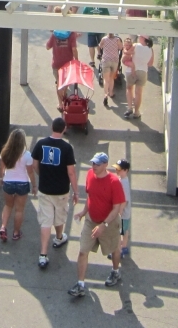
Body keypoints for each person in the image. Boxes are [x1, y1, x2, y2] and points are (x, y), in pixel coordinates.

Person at [68, 153, 126, 298]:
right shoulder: (89, 175)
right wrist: (83, 212)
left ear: (105, 165)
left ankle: (115, 271)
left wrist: (103, 225)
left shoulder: (114, 182)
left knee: (115, 249)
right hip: (91, 220)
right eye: (93, 163)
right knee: (83, 251)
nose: (94, 166)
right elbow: (90, 197)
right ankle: (80, 284)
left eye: (97, 164)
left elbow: (117, 208)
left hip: (110, 223)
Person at [32, 117, 78, 269]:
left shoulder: (40, 144)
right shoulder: (66, 148)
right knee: (59, 216)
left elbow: (35, 165)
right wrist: (76, 191)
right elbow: (71, 172)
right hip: (61, 190)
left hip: (45, 189)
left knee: (46, 221)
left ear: (52, 127)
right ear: (64, 129)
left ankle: (43, 255)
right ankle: (59, 238)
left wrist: (42, 175)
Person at [0, 128, 35, 243]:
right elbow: (30, 172)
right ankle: (16, 233)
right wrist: (34, 185)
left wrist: (1, 178)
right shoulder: (27, 155)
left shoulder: (4, 152)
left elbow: (1, 169)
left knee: (8, 205)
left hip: (8, 182)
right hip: (22, 184)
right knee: (19, 210)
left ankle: (3, 227)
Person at [45, 29, 78, 106]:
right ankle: (64, 95)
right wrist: (77, 61)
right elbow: (74, 49)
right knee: (66, 82)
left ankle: (60, 104)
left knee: (59, 84)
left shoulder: (55, 34)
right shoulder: (71, 34)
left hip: (57, 64)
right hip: (68, 65)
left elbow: (47, 47)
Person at [127, 36, 154, 120]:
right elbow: (150, 64)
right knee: (139, 92)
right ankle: (136, 112)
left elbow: (127, 54)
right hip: (143, 71)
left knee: (129, 89)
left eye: (139, 36)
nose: (138, 37)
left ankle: (130, 107)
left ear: (143, 38)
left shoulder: (135, 45)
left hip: (132, 70)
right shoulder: (151, 49)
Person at [98, 32, 122, 107]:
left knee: (106, 79)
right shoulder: (117, 39)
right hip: (114, 61)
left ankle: (105, 95)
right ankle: (111, 93)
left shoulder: (104, 39)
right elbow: (121, 48)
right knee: (111, 78)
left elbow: (100, 46)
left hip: (106, 60)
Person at [114, 160, 132, 257]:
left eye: (119, 169)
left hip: (123, 213)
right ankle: (123, 246)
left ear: (126, 170)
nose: (117, 170)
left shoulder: (123, 184)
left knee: (123, 231)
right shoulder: (122, 180)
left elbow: (124, 200)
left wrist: (119, 212)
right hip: (125, 213)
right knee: (124, 230)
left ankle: (122, 249)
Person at [121, 36, 136, 116]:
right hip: (127, 62)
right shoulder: (126, 49)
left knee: (130, 88)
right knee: (132, 65)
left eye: (129, 45)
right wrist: (130, 51)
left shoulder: (129, 48)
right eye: (126, 45)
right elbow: (127, 53)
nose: (127, 46)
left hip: (127, 62)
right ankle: (133, 101)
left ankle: (132, 102)